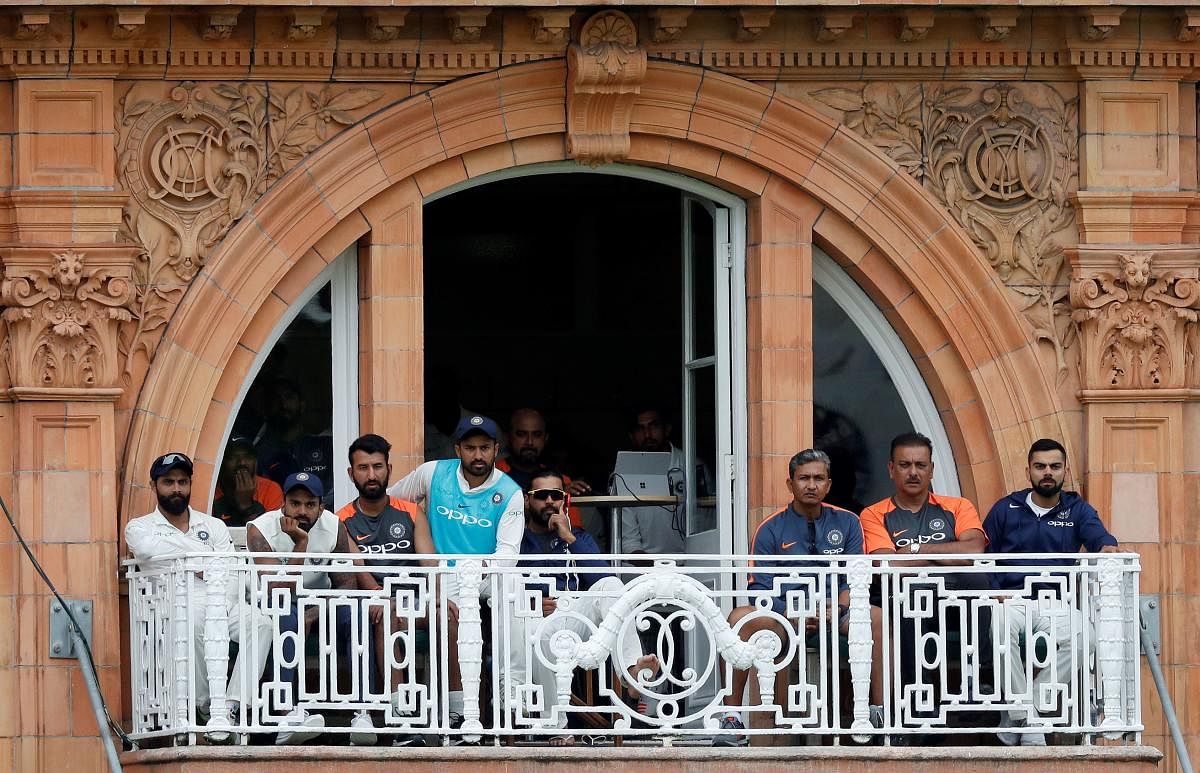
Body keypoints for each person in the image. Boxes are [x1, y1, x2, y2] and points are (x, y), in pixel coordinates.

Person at [713, 449, 879, 746]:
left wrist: (837, 608)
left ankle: (876, 713)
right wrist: (795, 613)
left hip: (834, 612)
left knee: (877, 618)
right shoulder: (770, 528)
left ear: (829, 484)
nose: (811, 485)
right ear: (790, 484)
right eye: (804, 478)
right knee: (739, 618)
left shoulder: (849, 522)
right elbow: (759, 589)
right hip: (784, 616)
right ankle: (731, 718)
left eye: (818, 478)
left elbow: (855, 579)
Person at [124, 452, 273, 743]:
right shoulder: (139, 527)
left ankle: (231, 704)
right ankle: (205, 707)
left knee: (261, 624)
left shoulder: (213, 526)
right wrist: (203, 558)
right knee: (192, 622)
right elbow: (145, 550)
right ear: (154, 486)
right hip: (172, 605)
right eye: (169, 482)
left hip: (222, 601)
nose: (176, 489)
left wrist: (181, 553)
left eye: (182, 482)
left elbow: (230, 571)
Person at [387, 414, 527, 725]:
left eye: (485, 448)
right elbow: (392, 502)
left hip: (487, 571)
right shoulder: (433, 473)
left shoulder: (510, 492)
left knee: (514, 587)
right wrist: (414, 527)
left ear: (496, 449)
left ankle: (511, 688)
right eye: (470, 448)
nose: (478, 455)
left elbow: (507, 555)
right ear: (457, 449)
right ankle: (458, 705)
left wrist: (474, 569)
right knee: (450, 616)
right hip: (444, 572)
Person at [984, 438, 1119, 747]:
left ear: (1065, 471)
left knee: (1086, 637)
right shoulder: (1007, 508)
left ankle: (1023, 712)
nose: (1048, 472)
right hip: (1011, 601)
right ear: (1029, 470)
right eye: (1040, 466)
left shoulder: (1077, 509)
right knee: (1002, 624)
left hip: (1055, 604)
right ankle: (1029, 718)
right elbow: (984, 556)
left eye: (1055, 467)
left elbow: (1100, 538)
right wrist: (994, 593)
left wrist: (1109, 549)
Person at [859, 431, 992, 738]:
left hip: (957, 603)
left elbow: (973, 552)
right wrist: (948, 554)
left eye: (920, 465)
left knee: (976, 580)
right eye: (905, 465)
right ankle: (919, 706)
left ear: (932, 469)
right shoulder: (874, 514)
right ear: (891, 469)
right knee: (912, 593)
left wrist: (919, 551)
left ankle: (978, 683)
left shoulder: (957, 506)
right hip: (907, 603)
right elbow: (889, 564)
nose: (913, 472)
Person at [517, 468, 657, 745]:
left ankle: (631, 671)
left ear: (564, 500)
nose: (549, 502)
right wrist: (532, 601)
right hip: (534, 619)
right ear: (526, 500)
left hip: (577, 618)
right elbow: (498, 587)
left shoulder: (577, 537)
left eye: (555, 495)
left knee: (612, 587)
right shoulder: (517, 540)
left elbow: (602, 577)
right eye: (541, 495)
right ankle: (555, 725)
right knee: (544, 633)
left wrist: (569, 537)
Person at [337, 434, 440, 746]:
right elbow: (361, 573)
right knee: (388, 611)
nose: (371, 475)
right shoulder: (341, 520)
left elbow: (430, 563)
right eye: (363, 467)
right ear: (351, 473)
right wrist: (382, 595)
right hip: (375, 603)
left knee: (449, 616)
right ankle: (401, 718)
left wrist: (437, 596)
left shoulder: (410, 511)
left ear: (389, 469)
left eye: (378, 467)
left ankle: (457, 712)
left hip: (415, 602)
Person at [246, 471, 358, 745]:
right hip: (268, 605)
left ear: (322, 505)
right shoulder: (259, 528)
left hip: (317, 604)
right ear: (283, 503)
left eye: (310, 505)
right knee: (287, 612)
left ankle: (362, 711)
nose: (302, 511)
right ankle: (287, 714)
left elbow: (347, 585)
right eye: (295, 503)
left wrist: (315, 613)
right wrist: (301, 543)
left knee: (355, 614)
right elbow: (278, 590)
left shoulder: (334, 525)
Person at [498, 408, 590, 528]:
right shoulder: (492, 475)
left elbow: (573, 531)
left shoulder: (563, 482)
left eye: (537, 435)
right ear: (508, 437)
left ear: (545, 439)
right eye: (521, 434)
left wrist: (559, 495)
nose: (529, 442)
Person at [253, 378, 336, 508]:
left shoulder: (324, 445)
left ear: (302, 405)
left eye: (288, 397)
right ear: (267, 408)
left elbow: (338, 489)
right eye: (276, 399)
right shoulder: (261, 453)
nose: (283, 404)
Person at [212, 436, 284, 526]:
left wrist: (247, 506)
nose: (242, 462)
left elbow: (271, 535)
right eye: (233, 457)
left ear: (255, 462)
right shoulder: (211, 489)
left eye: (248, 457)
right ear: (222, 462)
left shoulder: (270, 489)